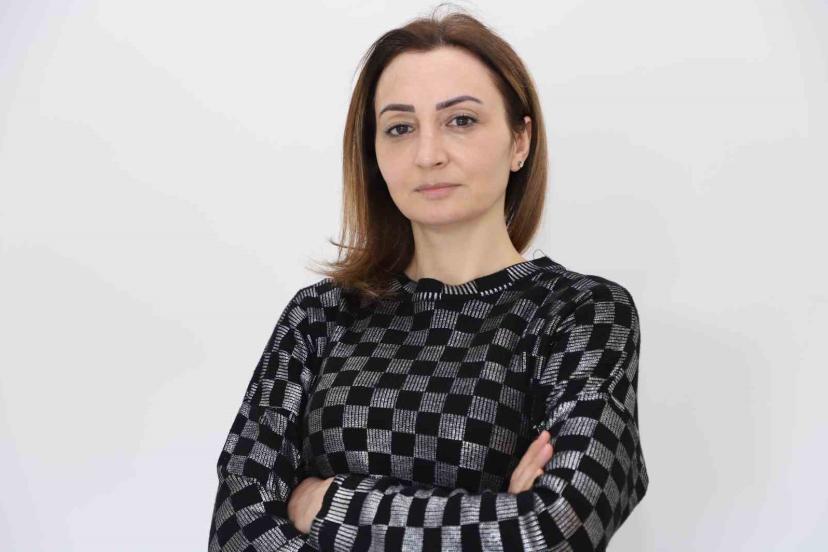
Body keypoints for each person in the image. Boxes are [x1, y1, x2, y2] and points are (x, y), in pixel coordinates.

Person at [208, 6, 648, 551]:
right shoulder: (319, 316)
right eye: (400, 128)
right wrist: (495, 517)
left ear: (520, 141)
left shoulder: (583, 314)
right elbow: (234, 532)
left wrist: (329, 504)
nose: (427, 154)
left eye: (460, 120)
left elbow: (556, 529)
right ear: (374, 154)